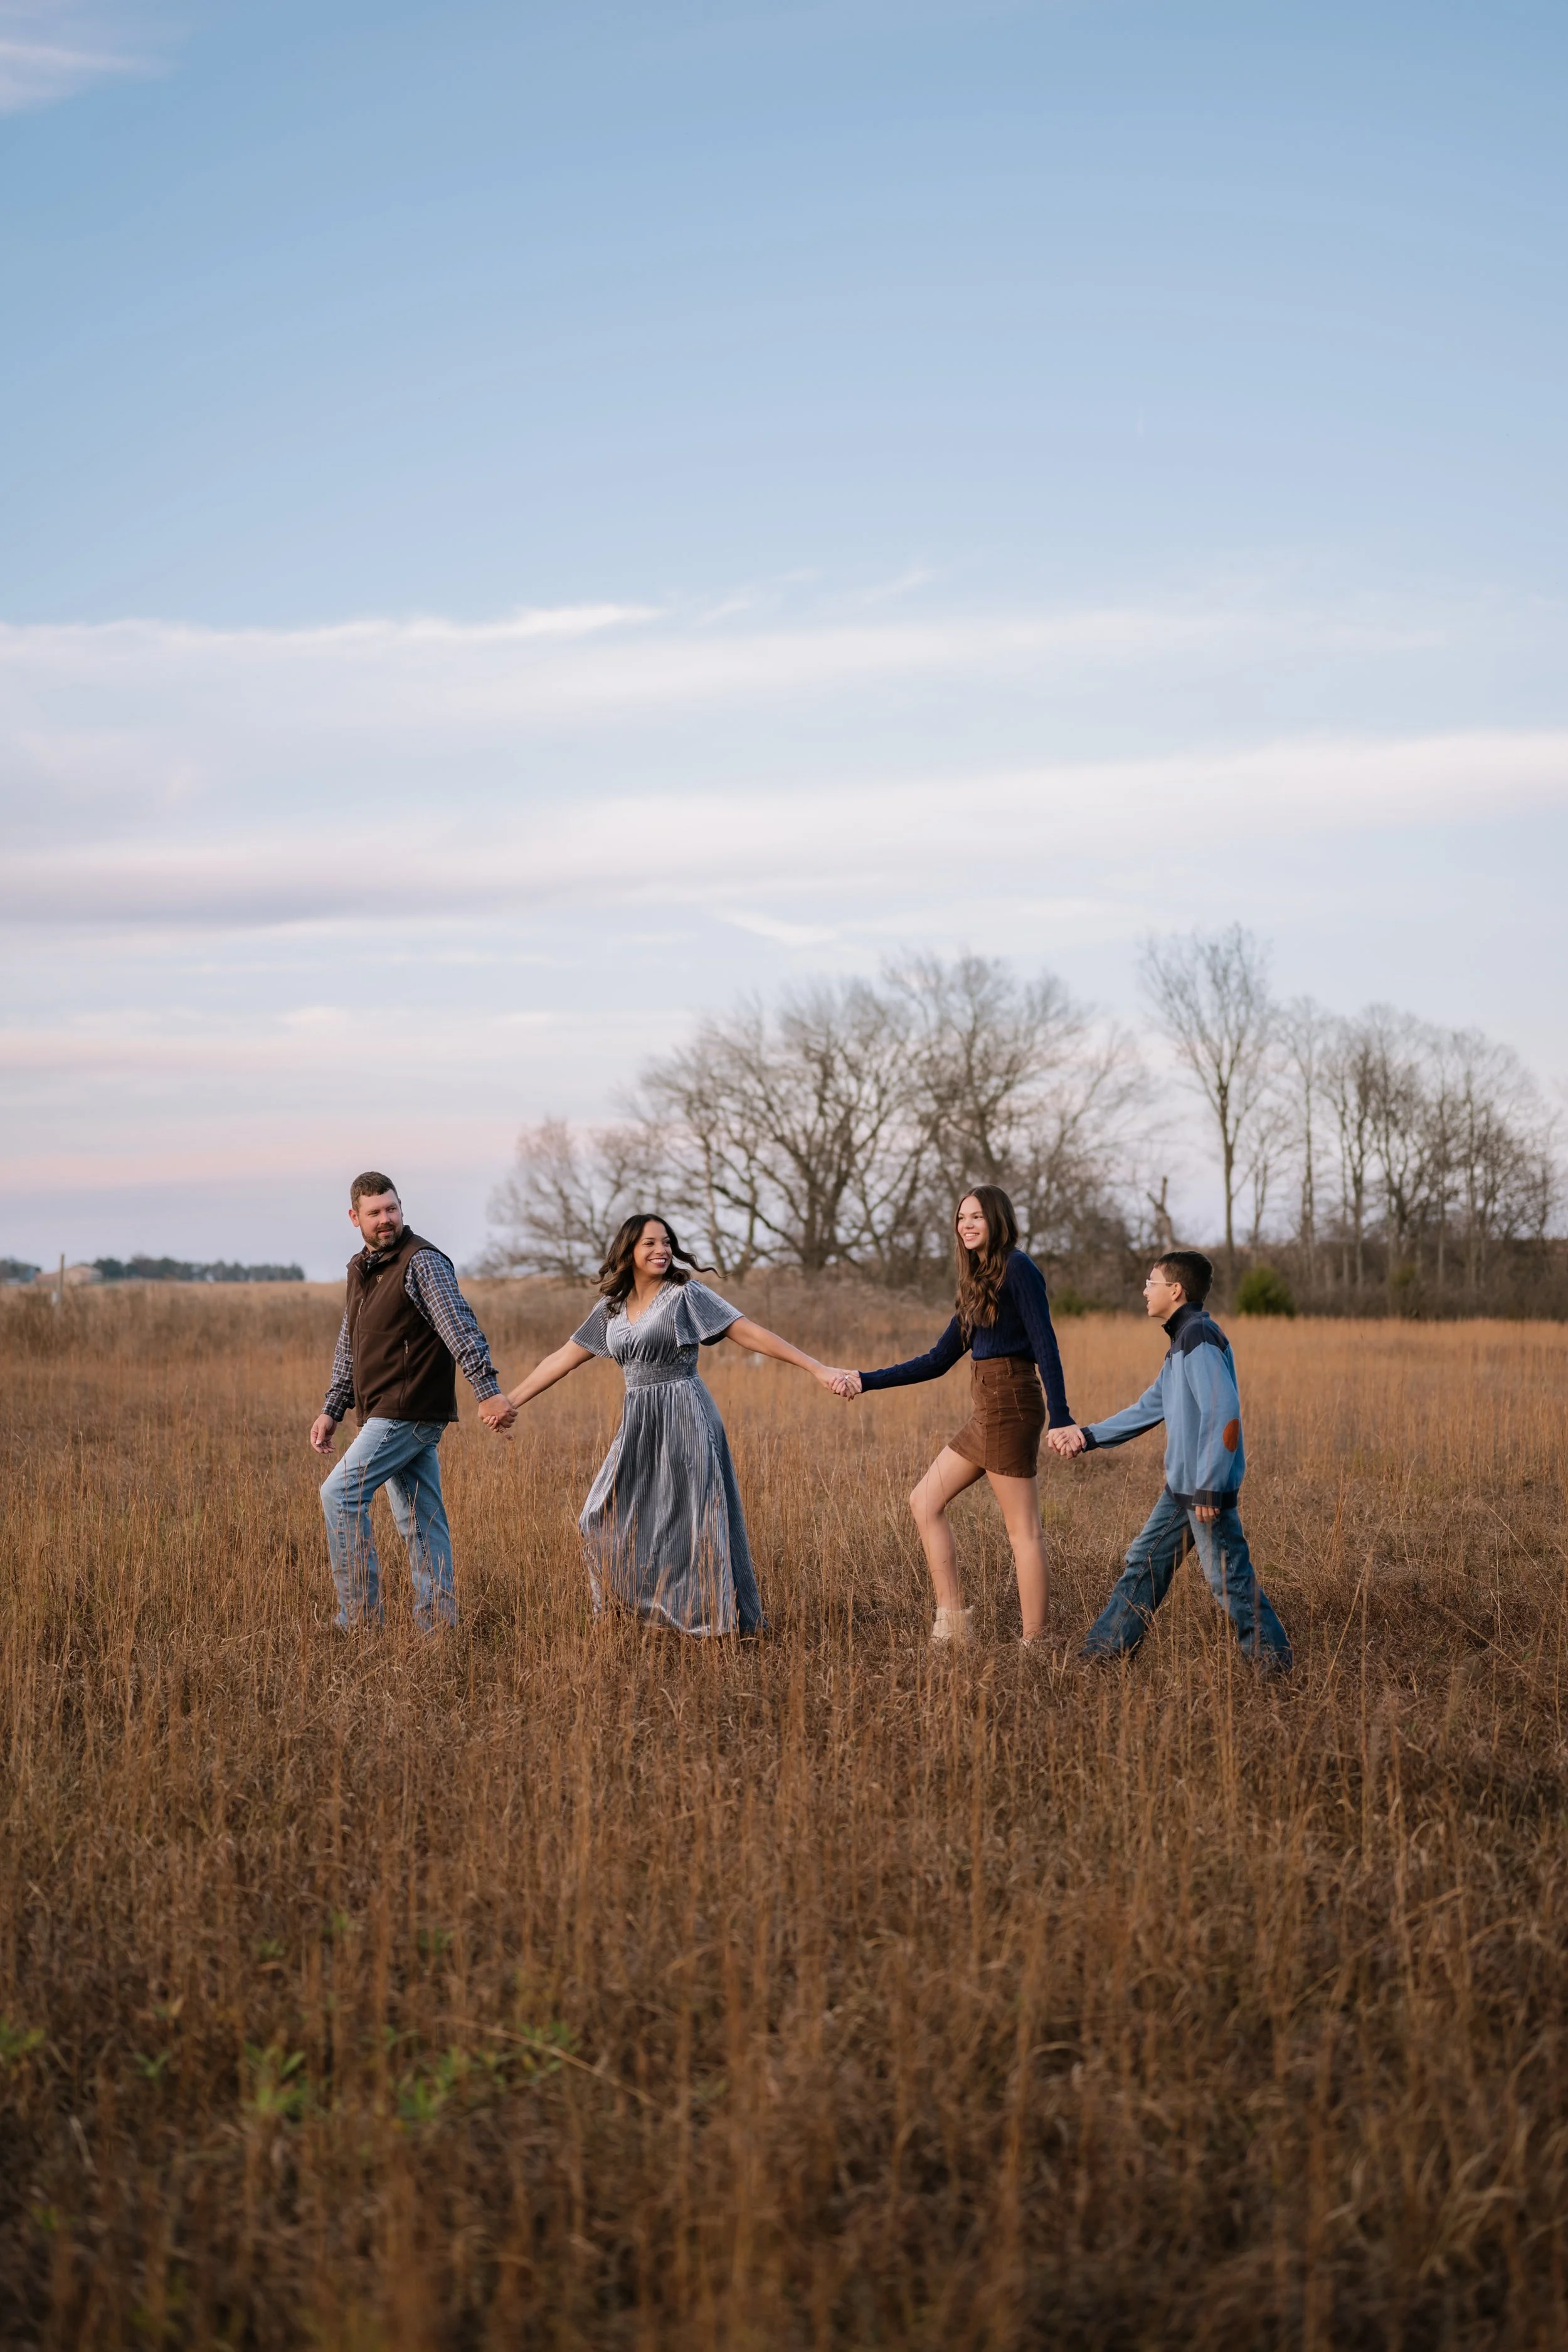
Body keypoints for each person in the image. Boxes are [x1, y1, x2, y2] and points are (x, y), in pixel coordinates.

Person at [502, 1213, 852, 1636]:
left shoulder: (686, 1295)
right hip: (639, 1421)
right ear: (628, 1251)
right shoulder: (610, 1309)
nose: (661, 1250)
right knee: (598, 1516)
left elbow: (749, 1332)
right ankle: (641, 1613)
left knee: (695, 1522)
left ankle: (714, 1624)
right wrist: (511, 1401)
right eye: (650, 1243)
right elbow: (563, 1357)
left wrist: (816, 1368)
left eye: (666, 1242)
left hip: (686, 1412)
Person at [834, 1186, 1073, 1648]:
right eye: (961, 1218)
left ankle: (1036, 1643)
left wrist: (1062, 1416)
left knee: (1024, 1531)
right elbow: (938, 1359)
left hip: (1012, 1404)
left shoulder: (1018, 1268)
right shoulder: (978, 1282)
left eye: (977, 1217)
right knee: (924, 1501)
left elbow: (1046, 1344)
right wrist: (865, 1379)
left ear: (997, 1220)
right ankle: (954, 1626)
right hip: (987, 1408)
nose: (966, 1225)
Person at [1049, 1249, 1292, 1670]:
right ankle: (1104, 1653)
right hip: (1181, 1490)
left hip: (1202, 1490)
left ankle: (1273, 1665)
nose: (1145, 1290)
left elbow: (1223, 1412)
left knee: (1229, 1580)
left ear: (1175, 1291)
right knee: (1144, 1563)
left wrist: (1211, 1485)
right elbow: (1148, 1408)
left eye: (1151, 1282)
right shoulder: (1182, 1342)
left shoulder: (1199, 1336)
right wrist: (1085, 1435)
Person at [310, 1173, 514, 1631]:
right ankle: (439, 1629)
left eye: (392, 1209)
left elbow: (459, 1326)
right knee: (421, 1520)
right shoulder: (362, 1269)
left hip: (408, 1408)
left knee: (340, 1495)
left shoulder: (421, 1262)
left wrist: (488, 1390)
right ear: (354, 1217)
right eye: (375, 1213)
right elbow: (351, 1344)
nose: (386, 1220)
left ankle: (359, 1622)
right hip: (386, 1407)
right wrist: (332, 1408)